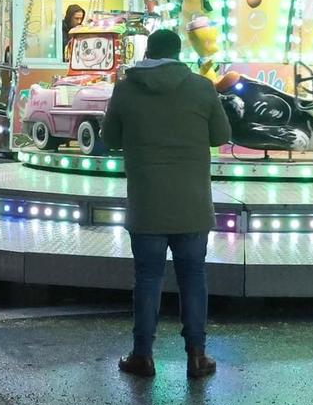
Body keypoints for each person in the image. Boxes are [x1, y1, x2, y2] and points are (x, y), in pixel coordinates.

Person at [99, 27, 232, 380]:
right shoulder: (201, 87)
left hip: (146, 203)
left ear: (149, 51)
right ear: (178, 53)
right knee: (193, 278)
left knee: (147, 279)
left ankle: (142, 355)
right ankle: (197, 356)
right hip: (192, 203)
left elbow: (108, 138)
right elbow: (221, 135)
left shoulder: (126, 89)